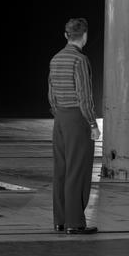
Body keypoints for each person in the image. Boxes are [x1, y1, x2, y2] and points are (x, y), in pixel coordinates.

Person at [48, 17, 100, 234]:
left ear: (66, 35)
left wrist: (58, 114)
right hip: (77, 120)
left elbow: (51, 94)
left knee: (61, 170)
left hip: (60, 119)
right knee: (77, 171)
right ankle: (75, 223)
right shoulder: (80, 60)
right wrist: (92, 123)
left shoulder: (55, 59)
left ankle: (60, 221)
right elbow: (84, 96)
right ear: (85, 36)